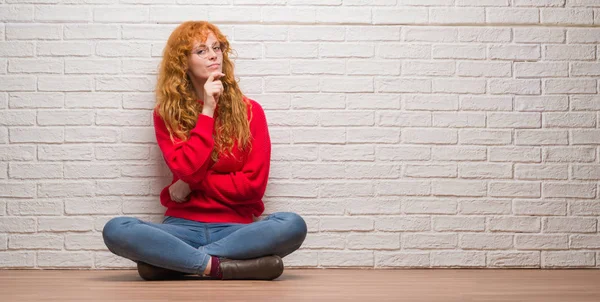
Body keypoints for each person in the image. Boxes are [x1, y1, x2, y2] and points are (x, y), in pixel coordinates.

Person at [102, 21, 307, 281]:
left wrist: (188, 186)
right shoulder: (167, 115)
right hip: (181, 228)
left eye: (216, 47)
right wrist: (207, 111)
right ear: (183, 63)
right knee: (117, 229)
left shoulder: (250, 111)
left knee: (292, 224)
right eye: (201, 50)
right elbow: (186, 169)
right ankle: (217, 266)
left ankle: (176, 261)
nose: (213, 55)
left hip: (236, 230)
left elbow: (253, 186)